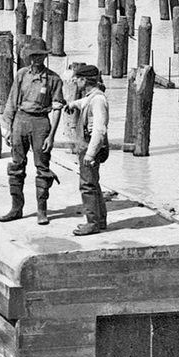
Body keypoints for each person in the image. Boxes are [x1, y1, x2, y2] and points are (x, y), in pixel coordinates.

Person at [0, 37, 64, 225]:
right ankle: (16, 208)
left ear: (45, 57)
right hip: (20, 120)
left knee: (42, 167)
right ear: (28, 57)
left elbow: (57, 108)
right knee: (16, 166)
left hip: (40, 123)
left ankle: (42, 211)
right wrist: (7, 129)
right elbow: (11, 102)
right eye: (33, 56)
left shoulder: (54, 79)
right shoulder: (21, 75)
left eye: (40, 56)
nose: (36, 60)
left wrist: (51, 136)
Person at [66, 64, 110, 236]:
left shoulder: (98, 100)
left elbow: (100, 129)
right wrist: (74, 104)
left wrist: (91, 153)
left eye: (77, 79)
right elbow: (85, 102)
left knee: (87, 185)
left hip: (91, 146)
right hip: (90, 145)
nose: (75, 82)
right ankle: (100, 220)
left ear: (85, 80)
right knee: (93, 183)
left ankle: (92, 223)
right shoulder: (93, 97)